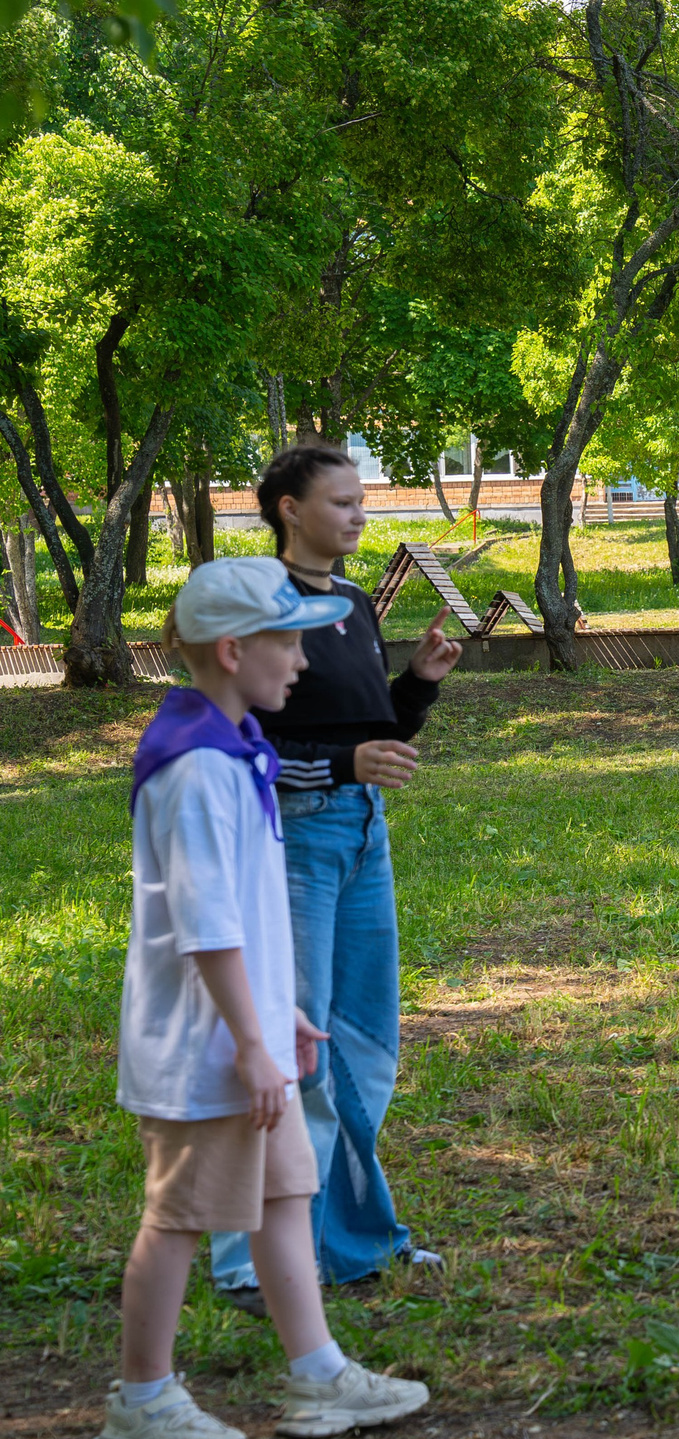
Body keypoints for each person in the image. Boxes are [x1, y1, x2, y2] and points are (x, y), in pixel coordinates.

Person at [97, 558, 432, 1439]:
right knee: (175, 1219)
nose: (303, 659)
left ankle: (318, 1375)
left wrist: (277, 1014)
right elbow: (205, 924)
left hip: (249, 1033)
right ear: (233, 649)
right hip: (203, 1047)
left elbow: (246, 910)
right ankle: (141, 1402)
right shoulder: (198, 766)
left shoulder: (238, 744)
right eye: (288, 641)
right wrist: (251, 1036)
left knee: (289, 1194)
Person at [210, 446, 462, 1314]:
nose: (359, 516)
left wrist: (418, 688)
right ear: (289, 509)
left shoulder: (353, 601)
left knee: (363, 1043)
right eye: (343, 502)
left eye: (363, 502)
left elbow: (371, 729)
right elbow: (239, 744)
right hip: (295, 844)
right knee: (293, 1049)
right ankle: (246, 1260)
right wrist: (340, 766)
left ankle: (347, 1241)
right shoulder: (255, 604)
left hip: (363, 836)